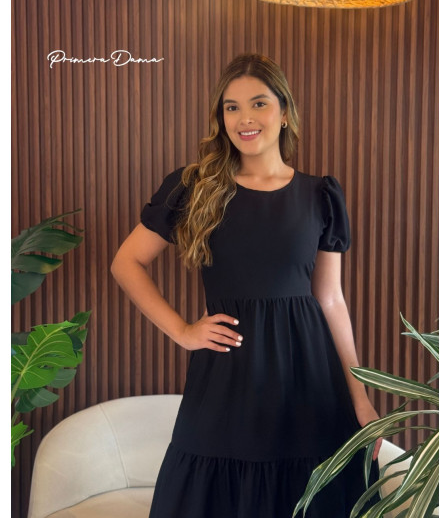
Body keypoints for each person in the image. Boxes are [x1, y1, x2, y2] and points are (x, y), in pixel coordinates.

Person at [111, 53, 381, 518]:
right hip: (227, 374)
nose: (244, 118)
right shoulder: (194, 187)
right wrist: (182, 331)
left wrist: (361, 397)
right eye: (231, 107)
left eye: (259, 103)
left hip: (309, 376)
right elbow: (126, 262)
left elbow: (331, 299)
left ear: (284, 112)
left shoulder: (320, 195)